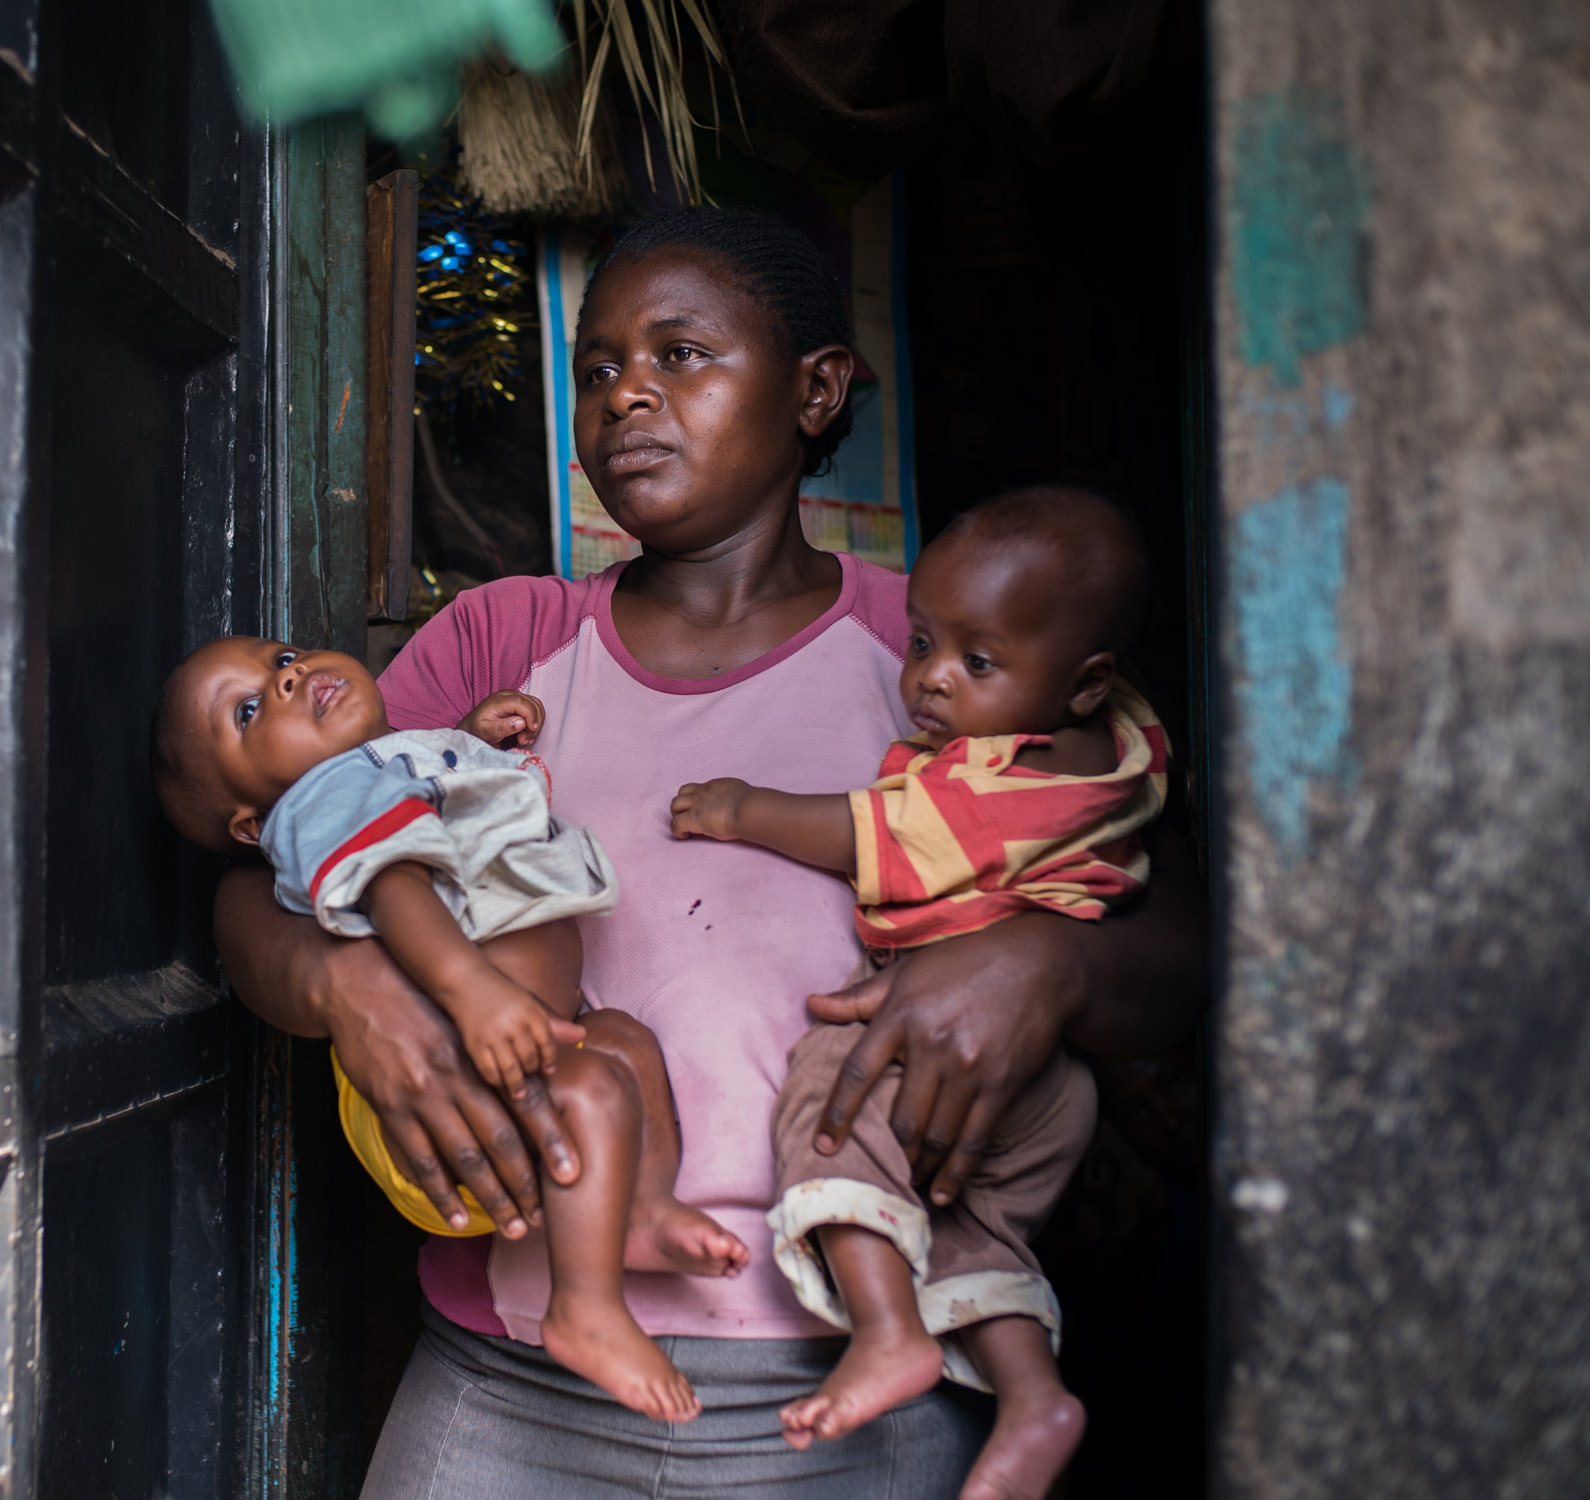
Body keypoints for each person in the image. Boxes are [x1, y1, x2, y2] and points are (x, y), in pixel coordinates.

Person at [214, 206, 1204, 1497]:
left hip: (862, 1376)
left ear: (814, 390)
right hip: (505, 1375)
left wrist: (1042, 969)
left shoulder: (949, 656)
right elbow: (257, 893)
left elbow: (1180, 950)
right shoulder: (502, 642)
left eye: (681, 354)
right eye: (598, 365)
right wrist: (347, 992)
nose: (627, 389)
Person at [670, 485, 1167, 1499]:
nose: (930, 682)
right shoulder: (1122, 751)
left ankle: (888, 1334)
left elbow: (878, 840)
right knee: (963, 1226)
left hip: (941, 1044)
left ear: (1083, 683)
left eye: (974, 662)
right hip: (1044, 1086)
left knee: (826, 1104)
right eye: (921, 643)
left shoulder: (1004, 788)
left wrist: (740, 808)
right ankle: (1034, 1397)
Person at [151, 639, 749, 1421]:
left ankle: (638, 1210)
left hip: (521, 1033)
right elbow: (396, 879)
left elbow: (427, 805)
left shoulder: (372, 775)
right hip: (464, 1060)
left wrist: (468, 739)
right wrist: (471, 992)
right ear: (251, 823)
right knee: (600, 1086)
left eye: (280, 657)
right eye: (251, 709)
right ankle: (586, 1308)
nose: (287, 675)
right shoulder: (322, 799)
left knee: (625, 1044)